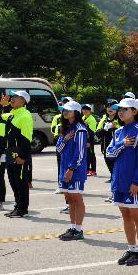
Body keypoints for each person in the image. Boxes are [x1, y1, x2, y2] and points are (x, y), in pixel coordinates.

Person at [106, 98, 138, 266]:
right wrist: (122, 144)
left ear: (134, 112)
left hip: (133, 183)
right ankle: (132, 249)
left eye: (125, 109)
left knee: (136, 215)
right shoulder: (118, 132)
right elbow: (109, 153)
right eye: (119, 109)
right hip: (119, 181)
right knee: (125, 215)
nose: (120, 112)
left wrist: (137, 182)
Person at [0, 91, 33, 218]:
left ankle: (23, 209)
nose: (11, 99)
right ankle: (18, 206)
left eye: (15, 97)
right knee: (13, 181)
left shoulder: (25, 115)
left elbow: (26, 138)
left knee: (20, 182)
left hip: (19, 152)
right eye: (11, 97)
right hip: (10, 152)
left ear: (23, 101)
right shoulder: (12, 114)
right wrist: (1, 105)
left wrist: (23, 157)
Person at [55, 101, 89, 241]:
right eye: (64, 110)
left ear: (76, 112)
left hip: (74, 170)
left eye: (68, 110)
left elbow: (80, 152)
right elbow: (58, 148)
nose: (65, 112)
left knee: (76, 199)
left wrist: (71, 168)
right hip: (64, 168)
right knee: (69, 199)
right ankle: (73, 227)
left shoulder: (80, 129)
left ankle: (78, 229)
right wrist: (65, 138)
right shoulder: (66, 128)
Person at [97, 102, 121, 202]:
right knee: (112, 174)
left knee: (117, 173)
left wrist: (115, 127)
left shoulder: (120, 119)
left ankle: (117, 195)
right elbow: (97, 134)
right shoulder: (103, 119)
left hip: (118, 151)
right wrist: (105, 129)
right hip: (107, 151)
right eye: (108, 106)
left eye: (112, 107)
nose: (109, 108)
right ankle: (114, 194)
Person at [82, 103, 98, 176]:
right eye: (83, 109)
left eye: (86, 110)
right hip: (84, 139)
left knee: (91, 155)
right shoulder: (83, 118)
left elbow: (91, 132)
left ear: (90, 111)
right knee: (86, 155)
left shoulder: (92, 119)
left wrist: (88, 141)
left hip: (89, 140)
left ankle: (93, 170)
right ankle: (87, 169)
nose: (84, 111)